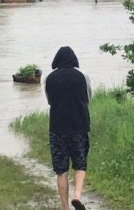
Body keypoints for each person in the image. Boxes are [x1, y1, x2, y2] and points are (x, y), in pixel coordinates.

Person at [45, 46, 92, 210]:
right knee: (80, 164)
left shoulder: (49, 78)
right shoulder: (83, 76)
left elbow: (50, 101)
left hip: (57, 129)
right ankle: (77, 197)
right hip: (79, 127)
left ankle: (65, 207)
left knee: (61, 170)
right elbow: (88, 98)